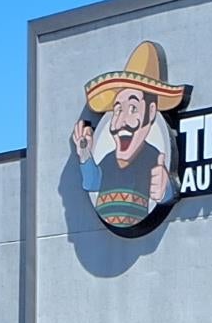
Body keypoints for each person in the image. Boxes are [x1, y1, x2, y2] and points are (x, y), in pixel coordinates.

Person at [73, 41, 187, 230]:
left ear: (151, 112)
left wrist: (166, 190)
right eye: (117, 110)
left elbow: (162, 189)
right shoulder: (108, 160)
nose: (121, 121)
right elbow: (93, 182)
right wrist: (85, 154)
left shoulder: (153, 159)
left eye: (132, 108)